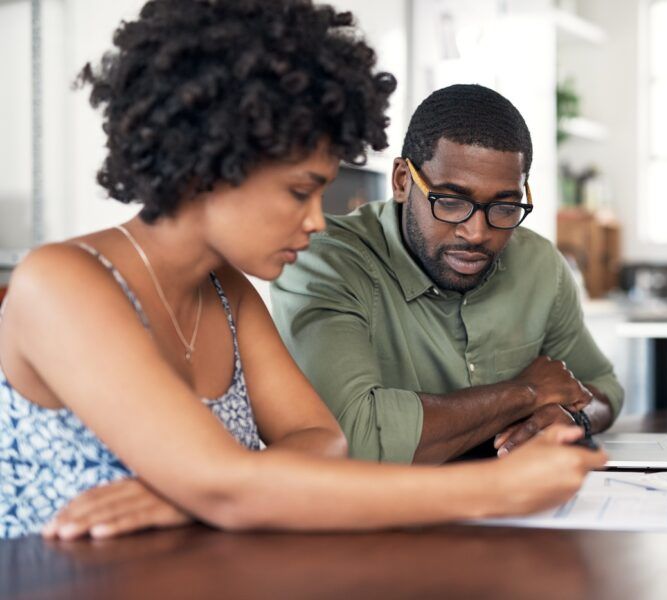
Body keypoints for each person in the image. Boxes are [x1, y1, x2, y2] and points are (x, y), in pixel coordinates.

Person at [0, 0, 606, 541]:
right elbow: (226, 486)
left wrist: (197, 492)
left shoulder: (226, 291)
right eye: (299, 191)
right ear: (210, 166)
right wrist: (495, 491)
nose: (317, 222)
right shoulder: (63, 282)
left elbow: (323, 444)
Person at [272, 84, 624, 465]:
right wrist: (524, 392)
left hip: (518, 508)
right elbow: (351, 438)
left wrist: (574, 417)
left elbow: (603, 390)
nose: (477, 233)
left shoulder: (538, 263)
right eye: (452, 202)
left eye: (505, 206)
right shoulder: (323, 262)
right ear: (403, 181)